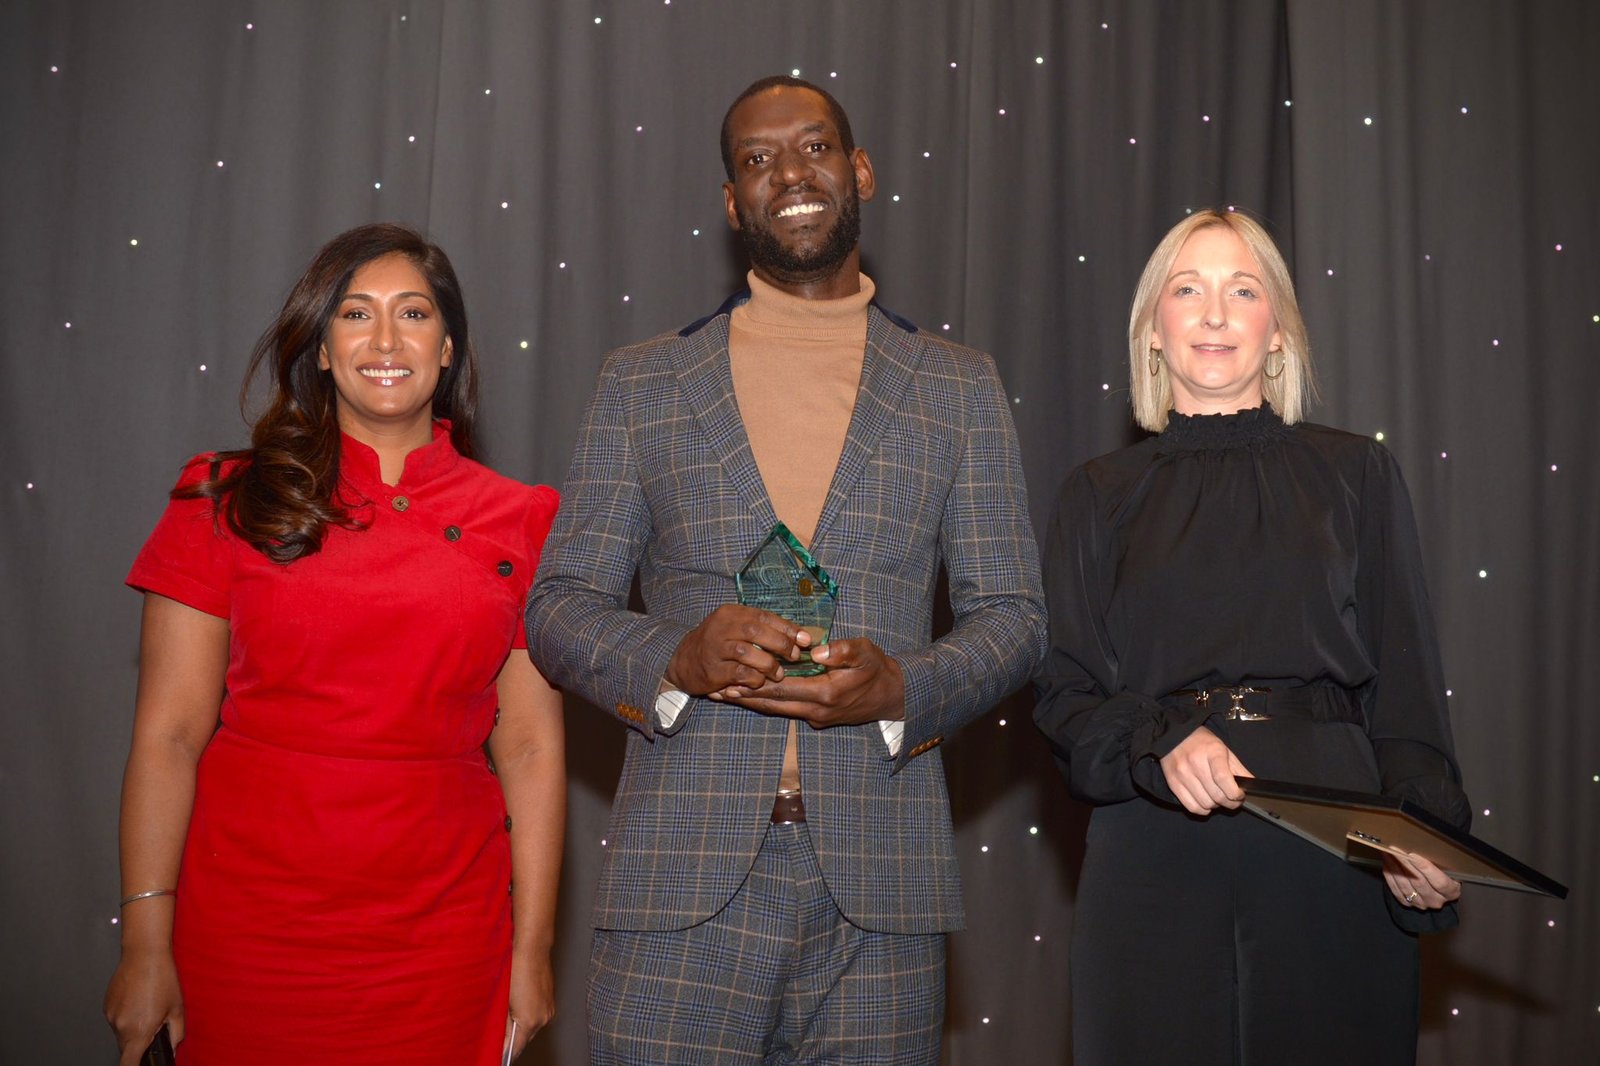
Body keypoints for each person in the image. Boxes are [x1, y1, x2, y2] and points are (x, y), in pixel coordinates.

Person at [525, 76, 1046, 1065]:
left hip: (881, 890)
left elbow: (1014, 615)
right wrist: (677, 655)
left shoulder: (958, 387)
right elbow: (557, 607)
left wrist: (905, 685)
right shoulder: (641, 382)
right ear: (731, 203)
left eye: (813, 147)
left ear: (860, 171)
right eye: (757, 160)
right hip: (679, 885)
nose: (789, 174)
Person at [103, 223, 565, 1065]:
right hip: (248, 932)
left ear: (448, 346)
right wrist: (143, 942)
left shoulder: (525, 517)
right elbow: (168, 736)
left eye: (414, 314)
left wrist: (531, 955)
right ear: (320, 348)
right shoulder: (223, 496)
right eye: (356, 314)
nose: (386, 340)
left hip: (444, 941)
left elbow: (531, 748)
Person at [1033, 209, 1470, 1065]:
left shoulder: (1358, 474)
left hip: (1334, 850)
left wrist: (1423, 840)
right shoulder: (1097, 493)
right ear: (1152, 332)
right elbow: (1065, 692)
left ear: (1279, 330)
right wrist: (1156, 743)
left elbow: (1409, 695)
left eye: (1244, 289)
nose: (1215, 312)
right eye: (1186, 290)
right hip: (1153, 851)